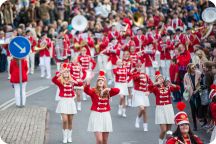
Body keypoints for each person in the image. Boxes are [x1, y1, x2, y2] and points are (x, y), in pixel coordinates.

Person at [84, 70, 120, 144]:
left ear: (104, 82)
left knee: (105, 141)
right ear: (97, 82)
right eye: (99, 81)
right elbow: (86, 90)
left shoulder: (108, 92)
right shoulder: (93, 91)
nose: (100, 82)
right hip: (96, 115)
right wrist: (89, 80)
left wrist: (108, 89)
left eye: (102, 80)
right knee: (99, 140)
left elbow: (118, 90)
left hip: (105, 115)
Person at [149, 71, 180, 144]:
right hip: (160, 108)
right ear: (156, 80)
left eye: (161, 78)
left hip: (168, 108)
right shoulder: (155, 88)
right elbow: (149, 87)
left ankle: (167, 142)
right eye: (159, 78)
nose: (160, 79)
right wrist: (156, 83)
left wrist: (171, 84)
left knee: (169, 131)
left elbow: (178, 88)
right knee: (163, 130)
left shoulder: (168, 87)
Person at [52, 63, 80, 143]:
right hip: (63, 101)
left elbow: (80, 83)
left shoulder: (72, 82)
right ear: (63, 74)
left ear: (69, 73)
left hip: (71, 101)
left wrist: (74, 81)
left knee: (70, 120)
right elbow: (53, 80)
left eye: (67, 72)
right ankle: (64, 137)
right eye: (65, 72)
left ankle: (69, 136)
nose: (66, 73)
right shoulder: (60, 82)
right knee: (64, 120)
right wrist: (60, 72)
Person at [132, 63, 153, 131]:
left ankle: (145, 126)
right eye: (138, 67)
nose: (140, 68)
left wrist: (149, 91)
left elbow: (151, 84)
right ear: (136, 68)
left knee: (144, 111)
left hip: (144, 94)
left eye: (141, 67)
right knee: (142, 108)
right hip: (137, 93)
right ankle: (137, 119)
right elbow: (135, 78)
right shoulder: (135, 74)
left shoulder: (146, 75)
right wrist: (140, 73)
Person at [183, 63, 202, 131]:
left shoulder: (199, 73)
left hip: (198, 93)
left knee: (199, 107)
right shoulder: (186, 75)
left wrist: (197, 90)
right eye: (192, 68)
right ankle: (195, 125)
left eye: (194, 67)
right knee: (193, 109)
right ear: (189, 69)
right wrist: (187, 87)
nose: (194, 69)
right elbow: (184, 84)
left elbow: (201, 83)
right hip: (191, 94)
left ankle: (200, 118)